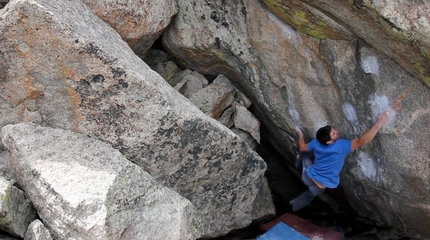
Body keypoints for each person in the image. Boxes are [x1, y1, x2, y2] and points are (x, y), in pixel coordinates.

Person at [290, 111, 391, 211]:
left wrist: (300, 134)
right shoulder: (342, 146)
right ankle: (293, 207)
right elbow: (362, 141)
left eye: (333, 129)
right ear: (329, 142)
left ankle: (298, 166)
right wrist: (378, 125)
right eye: (334, 133)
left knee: (304, 154)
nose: (337, 131)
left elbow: (303, 147)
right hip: (319, 187)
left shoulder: (316, 142)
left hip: (307, 176)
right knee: (308, 197)